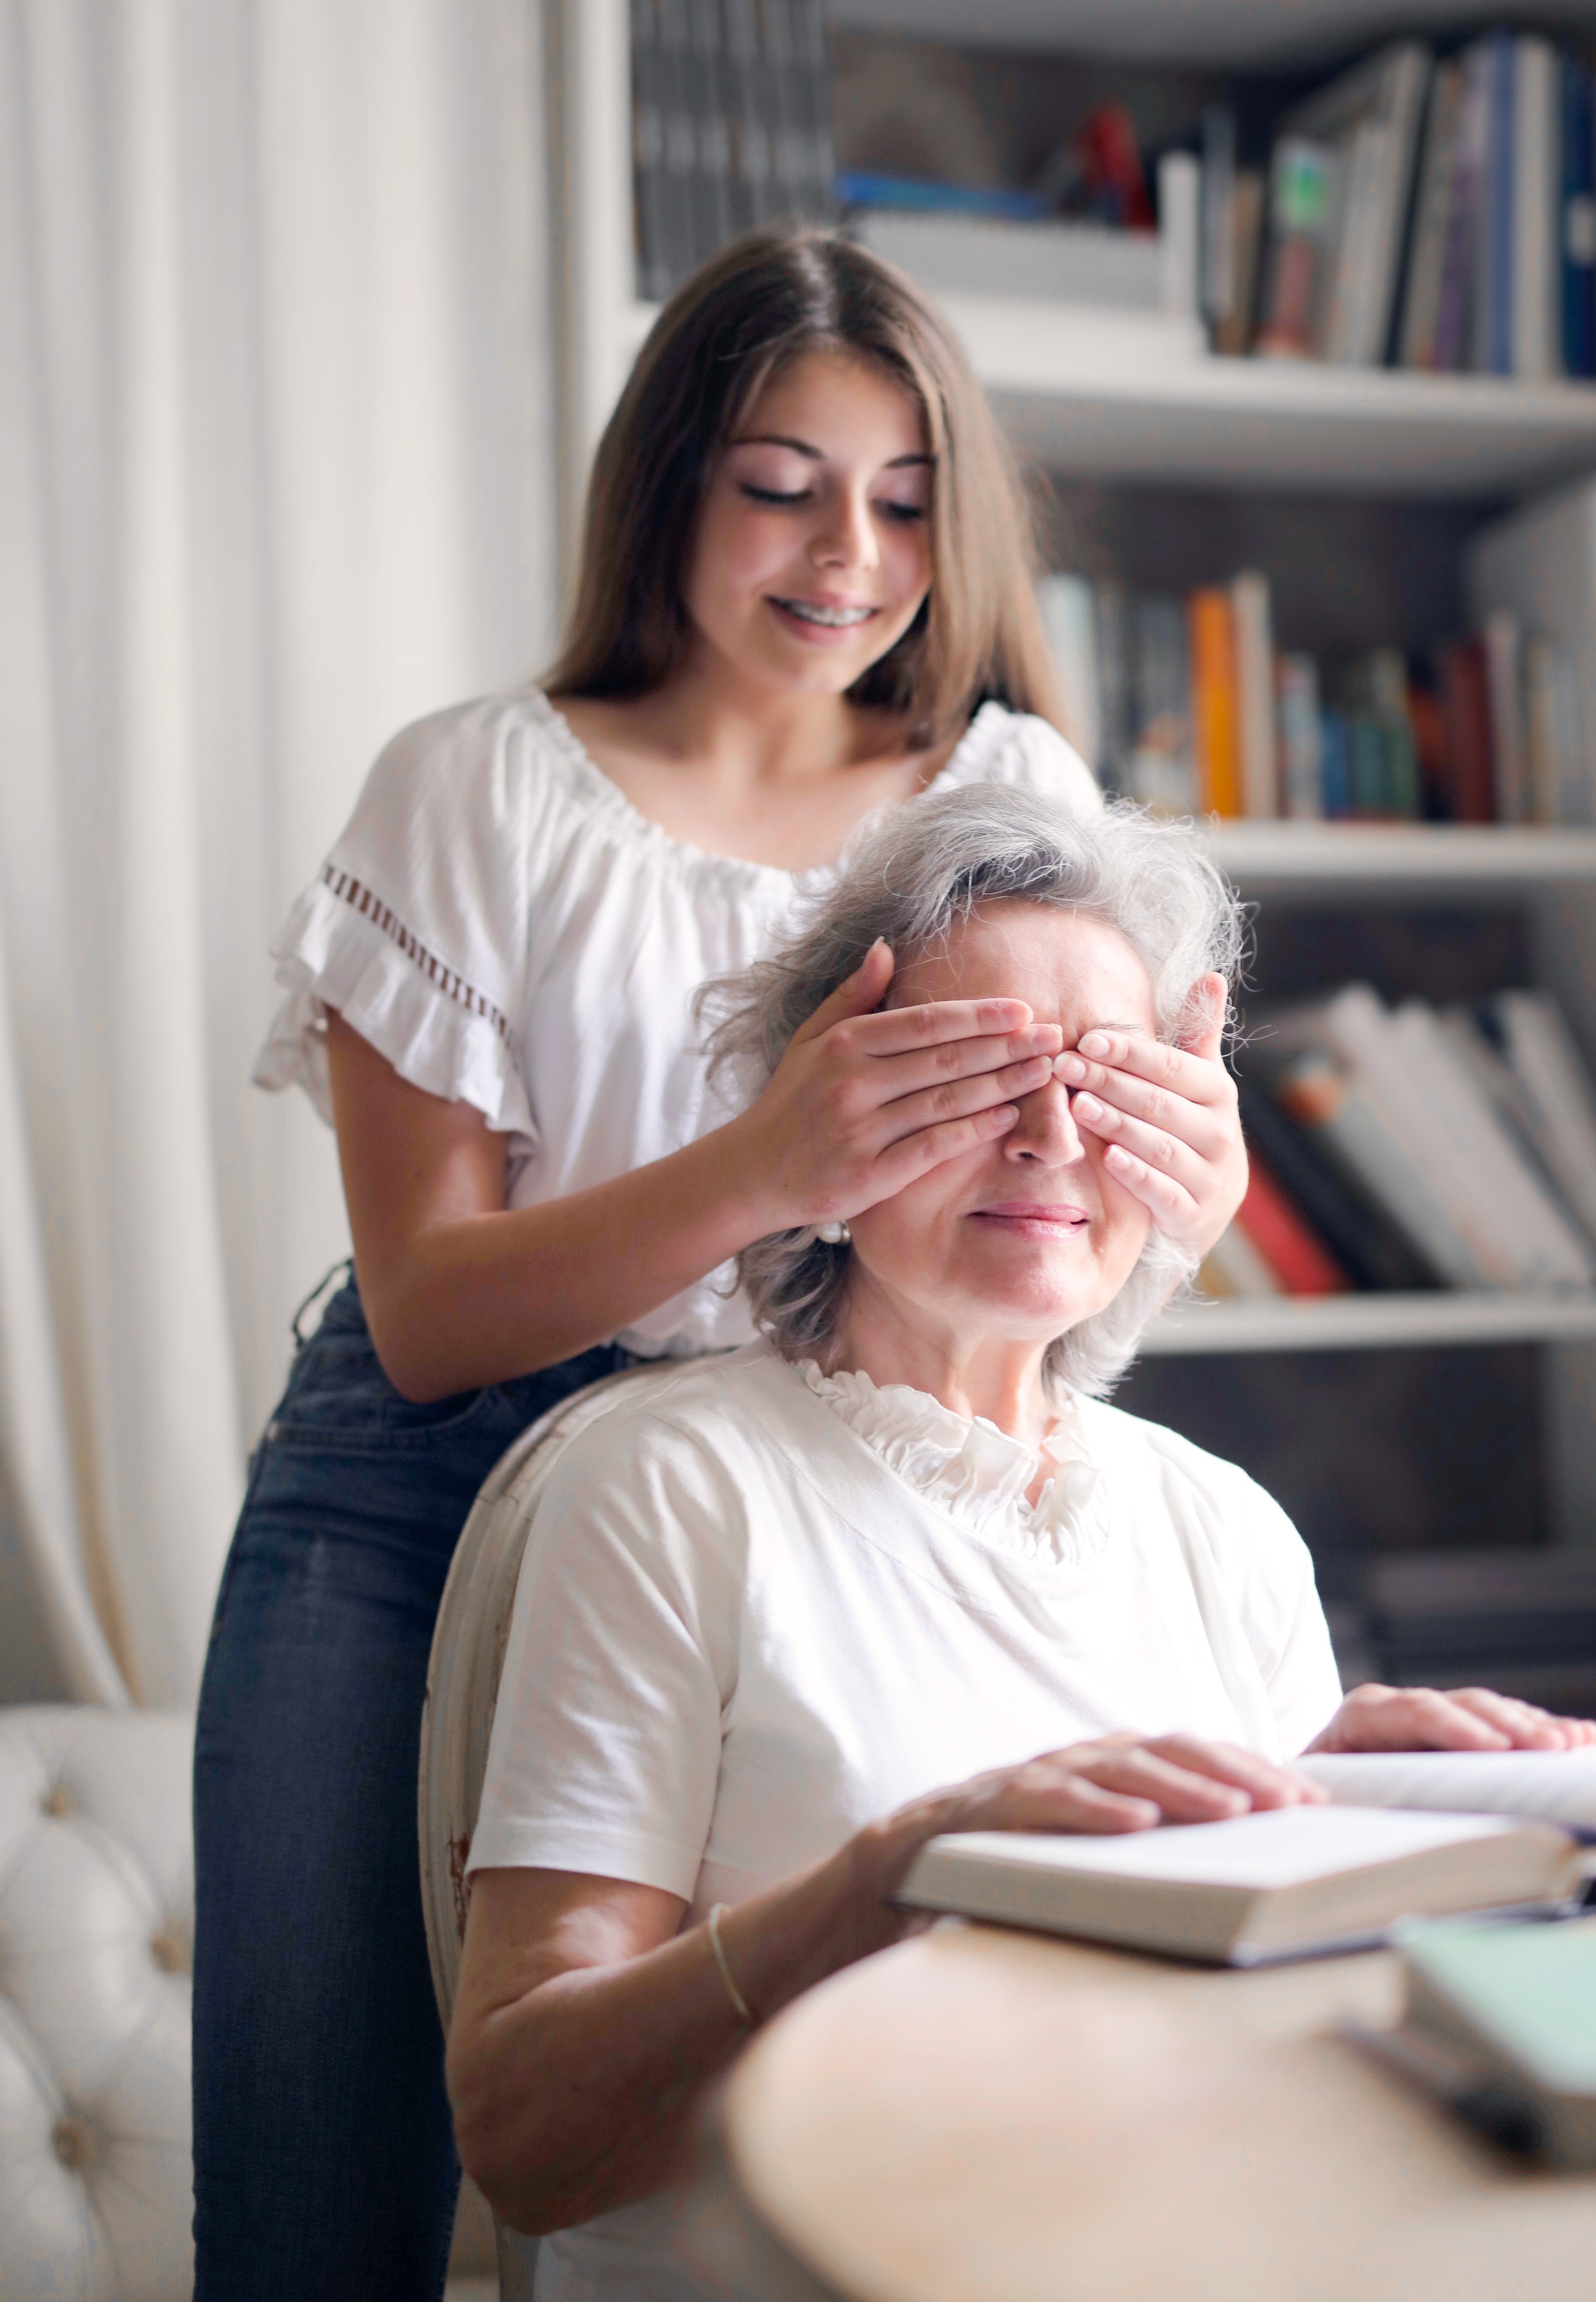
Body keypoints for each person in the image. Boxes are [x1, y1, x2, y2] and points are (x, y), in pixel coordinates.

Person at [190, 231, 1254, 2302]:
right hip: (419, 1487)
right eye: (779, 482)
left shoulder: (1006, 789)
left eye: (908, 497)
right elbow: (425, 1314)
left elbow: (1066, 1235)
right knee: (320, 2191)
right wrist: (767, 1164)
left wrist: (1176, 1199)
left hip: (821, 1471)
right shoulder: (471, 789)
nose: (847, 551)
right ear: (667, 482)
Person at [449, 785, 1596, 2302]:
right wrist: (897, 1876)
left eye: (1108, 1081)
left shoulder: (1223, 1525)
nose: (1053, 1134)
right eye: (977, 1073)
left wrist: (1360, 1810)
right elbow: (525, 2136)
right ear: (830, 1109)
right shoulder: (669, 1486)